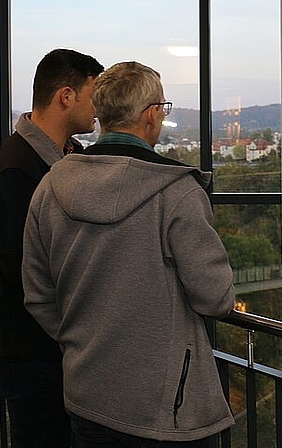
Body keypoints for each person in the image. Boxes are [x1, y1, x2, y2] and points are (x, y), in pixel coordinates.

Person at [22, 61, 236, 447]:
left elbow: (38, 294)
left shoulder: (51, 185)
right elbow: (215, 297)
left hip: (87, 395)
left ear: (102, 116)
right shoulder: (177, 193)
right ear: (152, 115)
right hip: (167, 410)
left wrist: (81, 341)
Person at [0, 48, 104, 448]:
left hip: (68, 348)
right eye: (93, 95)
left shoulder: (73, 158)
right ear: (66, 96)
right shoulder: (16, 168)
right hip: (32, 353)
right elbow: (19, 267)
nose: (98, 109)